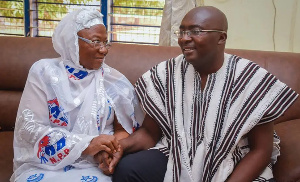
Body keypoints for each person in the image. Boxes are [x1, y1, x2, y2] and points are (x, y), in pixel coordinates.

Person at [100, 6, 299, 182]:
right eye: (182, 31)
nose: (184, 38)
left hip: (234, 158)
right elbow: (150, 134)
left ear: (221, 37)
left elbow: (261, 150)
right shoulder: (166, 74)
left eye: (196, 31)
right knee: (128, 170)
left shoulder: (252, 79)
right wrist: (120, 148)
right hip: (176, 153)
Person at [11, 8, 144, 182]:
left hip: (94, 164)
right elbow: (30, 128)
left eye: (106, 42)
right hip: (46, 164)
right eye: (96, 42)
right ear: (72, 41)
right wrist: (85, 144)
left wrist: (108, 150)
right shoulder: (45, 72)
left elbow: (123, 130)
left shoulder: (114, 81)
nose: (104, 50)